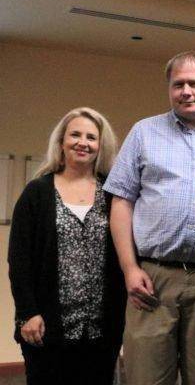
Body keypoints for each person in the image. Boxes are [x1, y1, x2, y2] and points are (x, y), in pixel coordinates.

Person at [104, 51, 195, 385]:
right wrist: (129, 269)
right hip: (152, 279)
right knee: (145, 376)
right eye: (178, 84)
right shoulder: (144, 132)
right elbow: (121, 202)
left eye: (194, 83)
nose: (186, 91)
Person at [8, 107, 125, 384]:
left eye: (91, 137)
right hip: (46, 326)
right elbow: (19, 260)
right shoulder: (37, 192)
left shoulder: (114, 193)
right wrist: (27, 313)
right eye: (75, 134)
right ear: (61, 142)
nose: (82, 142)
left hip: (100, 328)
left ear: (100, 146)